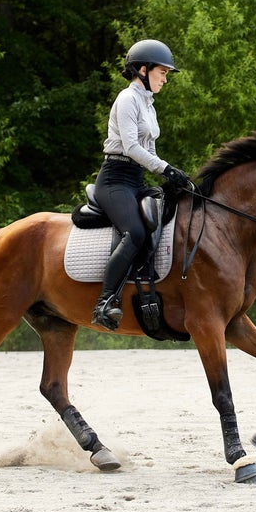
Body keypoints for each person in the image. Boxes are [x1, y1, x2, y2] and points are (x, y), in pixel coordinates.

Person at [91, 39, 190, 331]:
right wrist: (166, 169)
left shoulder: (149, 105)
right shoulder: (127, 99)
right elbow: (132, 147)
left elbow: (151, 151)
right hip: (114, 179)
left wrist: (172, 177)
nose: (165, 78)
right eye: (162, 72)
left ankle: (147, 292)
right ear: (143, 70)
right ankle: (105, 302)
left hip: (136, 180)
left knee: (165, 217)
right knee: (134, 231)